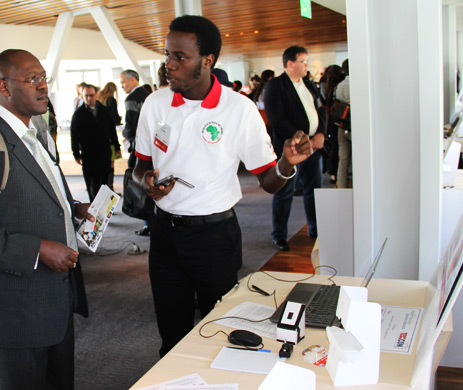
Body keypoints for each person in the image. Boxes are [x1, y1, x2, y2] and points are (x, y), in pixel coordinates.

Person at [133, 15, 312, 357]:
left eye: (180, 57)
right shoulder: (155, 104)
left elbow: (269, 182)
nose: (169, 65)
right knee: (171, 333)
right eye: (167, 55)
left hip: (213, 238)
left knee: (223, 329)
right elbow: (139, 167)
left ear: (208, 60)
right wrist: (148, 183)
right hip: (165, 236)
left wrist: (286, 163)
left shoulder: (238, 110)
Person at [0, 49, 92, 390]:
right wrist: (37, 250)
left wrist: (73, 210)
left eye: (44, 79)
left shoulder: (35, 134)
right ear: (4, 88)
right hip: (14, 312)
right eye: (32, 79)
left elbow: (42, 198)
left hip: (54, 301)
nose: (43, 87)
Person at [265, 46, 327, 248]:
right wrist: (302, 141)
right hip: (290, 149)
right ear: (290, 63)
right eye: (303, 62)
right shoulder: (276, 86)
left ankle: (315, 228)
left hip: (313, 147)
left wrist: (320, 134)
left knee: (313, 190)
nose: (307, 66)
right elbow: (278, 120)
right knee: (285, 192)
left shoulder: (308, 84)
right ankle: (279, 234)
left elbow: (321, 111)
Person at [71, 84, 121, 201]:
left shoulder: (104, 111)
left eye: (91, 95)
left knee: (105, 183)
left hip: (104, 152)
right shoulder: (79, 114)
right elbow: (74, 135)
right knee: (92, 185)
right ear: (82, 96)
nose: (89, 98)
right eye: (86, 96)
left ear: (96, 94)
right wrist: (76, 154)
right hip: (88, 154)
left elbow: (112, 130)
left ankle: (105, 211)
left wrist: (117, 147)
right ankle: (94, 212)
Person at [121, 69, 151, 235]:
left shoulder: (132, 98)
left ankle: (147, 224)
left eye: (124, 82)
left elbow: (130, 126)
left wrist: (126, 135)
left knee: (140, 184)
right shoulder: (148, 95)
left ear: (133, 80)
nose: (122, 86)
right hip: (153, 146)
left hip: (140, 147)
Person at [97, 81, 122, 190]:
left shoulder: (99, 98)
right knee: (110, 163)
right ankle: (110, 188)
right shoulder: (111, 100)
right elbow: (114, 118)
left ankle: (102, 189)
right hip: (109, 136)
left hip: (99, 136)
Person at [336, 59, 352, 188]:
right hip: (353, 125)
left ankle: (341, 185)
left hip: (341, 124)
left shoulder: (340, 85)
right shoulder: (356, 83)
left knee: (343, 159)